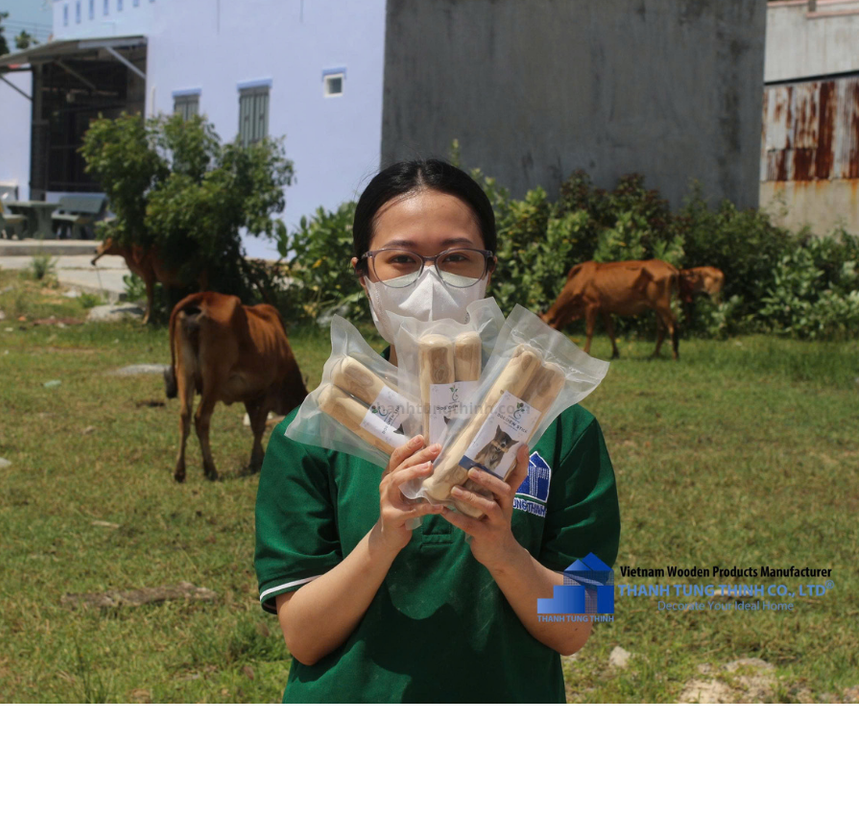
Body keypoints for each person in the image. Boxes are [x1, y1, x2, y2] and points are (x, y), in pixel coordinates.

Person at [254, 159, 620, 702]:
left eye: (456, 258)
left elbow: (577, 627)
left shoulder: (565, 430)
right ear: (364, 275)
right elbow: (303, 638)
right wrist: (383, 539)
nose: (430, 283)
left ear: (488, 271)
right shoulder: (311, 434)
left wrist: (503, 550)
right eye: (401, 259)